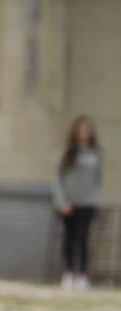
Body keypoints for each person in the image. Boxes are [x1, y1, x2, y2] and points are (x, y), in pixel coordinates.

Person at [54, 115, 101, 290]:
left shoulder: (95, 154)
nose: (85, 133)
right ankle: (69, 272)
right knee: (69, 238)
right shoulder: (65, 153)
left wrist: (95, 201)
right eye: (82, 129)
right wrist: (61, 201)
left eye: (88, 130)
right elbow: (57, 179)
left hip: (87, 203)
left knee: (83, 239)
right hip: (68, 203)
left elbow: (97, 181)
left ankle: (82, 274)